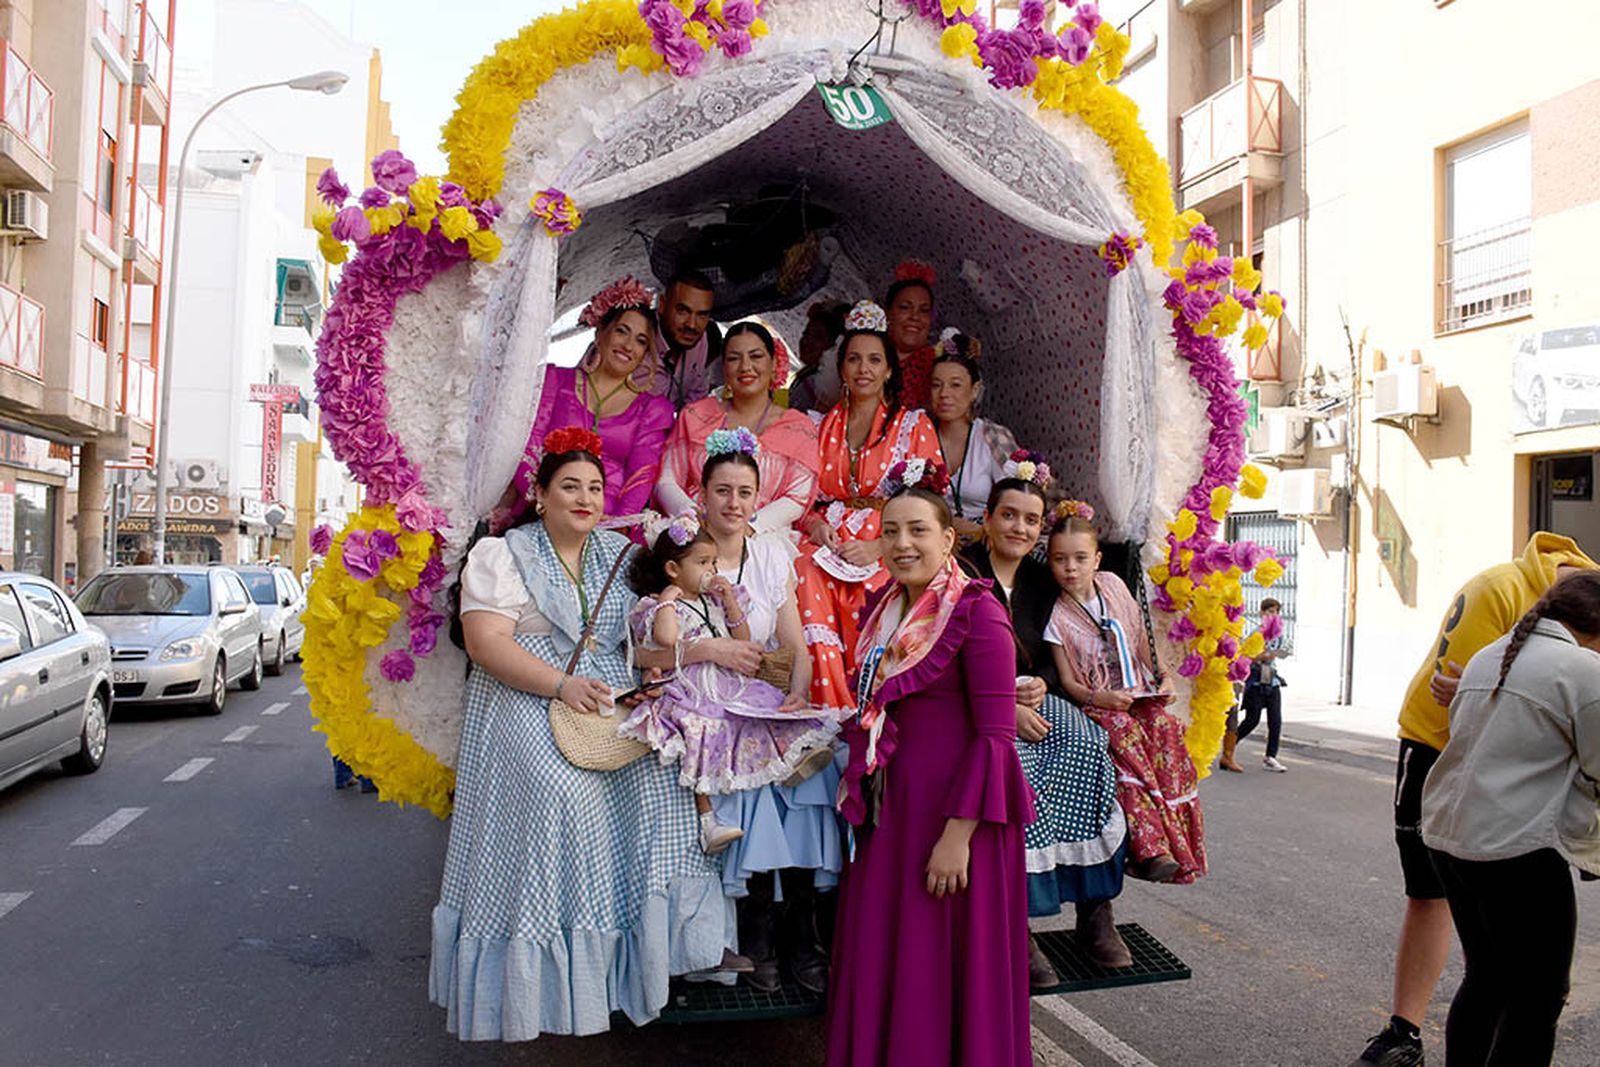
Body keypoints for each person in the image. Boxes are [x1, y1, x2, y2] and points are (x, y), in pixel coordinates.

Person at [432, 427, 737, 1041]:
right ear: (539, 495)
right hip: (524, 693)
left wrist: (694, 658)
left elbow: (643, 644)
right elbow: (488, 645)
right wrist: (559, 685)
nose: (585, 497)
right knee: (559, 794)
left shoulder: (619, 557)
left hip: (604, 692)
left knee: (663, 784)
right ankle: (543, 987)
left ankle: (642, 967)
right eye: (569, 485)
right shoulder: (502, 553)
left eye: (595, 487)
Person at [1352, 532, 1596, 1067]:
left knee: (1489, 973)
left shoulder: (1510, 651)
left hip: (1469, 824)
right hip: (1491, 812)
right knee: (1533, 991)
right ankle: (1405, 1029)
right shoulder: (1512, 605)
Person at [826, 476, 1035, 1066]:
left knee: (940, 966)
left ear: (949, 539)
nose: (902, 543)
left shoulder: (977, 611)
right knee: (892, 955)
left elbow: (996, 738)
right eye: (890, 531)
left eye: (918, 530)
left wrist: (958, 837)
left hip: (953, 821)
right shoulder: (886, 609)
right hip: (894, 815)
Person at [1420, 571, 1600, 1067]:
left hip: (1453, 840)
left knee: (1488, 976)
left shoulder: (1492, 654)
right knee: (1539, 996)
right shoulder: (1581, 668)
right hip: (1517, 850)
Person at [960, 476, 1131, 981]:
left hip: (1037, 696)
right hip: (976, 704)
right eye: (1009, 515)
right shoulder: (961, 572)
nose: (1019, 527)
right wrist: (1002, 703)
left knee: (1087, 743)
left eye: (1030, 520)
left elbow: (1061, 651)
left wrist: (1040, 682)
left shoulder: (1041, 579)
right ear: (988, 518)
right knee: (1021, 763)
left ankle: (1095, 911)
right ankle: (1021, 922)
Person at [696, 433, 842, 996]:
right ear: (702, 494)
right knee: (758, 779)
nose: (733, 503)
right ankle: (756, 929)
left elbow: (795, 644)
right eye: (723, 491)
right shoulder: (684, 551)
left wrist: (796, 698)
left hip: (766, 697)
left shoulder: (772, 553)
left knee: (813, 768)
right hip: (709, 696)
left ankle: (801, 930)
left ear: (758, 498)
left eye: (744, 492)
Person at [619, 510, 840, 854]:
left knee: (765, 706)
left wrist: (731, 601)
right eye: (703, 563)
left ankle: (793, 760)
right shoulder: (657, 605)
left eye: (713, 563)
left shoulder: (715, 600)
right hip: (693, 684)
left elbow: (743, 634)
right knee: (700, 735)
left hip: (728, 681)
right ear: (673, 570)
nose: (711, 571)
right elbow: (666, 638)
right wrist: (667, 599)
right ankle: (709, 823)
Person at [794, 300, 941, 717]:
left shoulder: (914, 425)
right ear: (841, 368)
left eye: (875, 359)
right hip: (831, 539)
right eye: (854, 359)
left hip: (891, 536)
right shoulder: (821, 426)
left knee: (874, 585)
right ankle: (829, 707)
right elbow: (806, 500)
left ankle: (870, 706)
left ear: (889, 369)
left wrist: (881, 547)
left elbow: (930, 504)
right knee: (803, 566)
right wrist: (817, 526)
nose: (864, 369)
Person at [1046, 501, 1206, 885]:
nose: (1070, 568)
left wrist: (1163, 677)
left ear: (1097, 559)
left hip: (1137, 691)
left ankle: (1178, 842)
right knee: (1124, 732)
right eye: (1060, 559)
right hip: (1099, 703)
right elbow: (1069, 682)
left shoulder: (1115, 587)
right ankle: (1148, 849)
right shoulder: (1056, 615)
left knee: (1166, 727)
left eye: (1080, 558)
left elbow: (1139, 642)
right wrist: (1100, 699)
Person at [505, 277, 675, 525]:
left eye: (640, 341)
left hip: (606, 524)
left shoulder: (651, 410)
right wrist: (544, 502)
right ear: (600, 332)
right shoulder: (554, 381)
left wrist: (611, 525)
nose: (629, 346)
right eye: (621, 331)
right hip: (542, 511)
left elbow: (640, 478)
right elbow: (527, 448)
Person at [655, 321, 819, 536]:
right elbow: (667, 480)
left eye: (756, 356)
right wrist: (694, 519)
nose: (745, 366)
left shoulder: (797, 427)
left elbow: (797, 496)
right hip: (695, 532)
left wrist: (749, 529)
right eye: (734, 358)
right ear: (724, 368)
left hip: (764, 536)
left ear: (773, 363)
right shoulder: (696, 416)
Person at [926, 329, 1023, 538]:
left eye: (956, 385)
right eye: (936, 385)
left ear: (974, 390)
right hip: (932, 536)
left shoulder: (992, 436)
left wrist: (984, 531)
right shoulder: (919, 434)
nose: (944, 394)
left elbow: (1016, 500)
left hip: (985, 537)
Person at [645, 269, 722, 408]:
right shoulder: (637, 334)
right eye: (682, 311)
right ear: (662, 305)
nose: (692, 325)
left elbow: (694, 405)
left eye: (702, 315)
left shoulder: (700, 340)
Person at [1236, 598, 1289, 773]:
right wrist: (1261, 656)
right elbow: (1246, 655)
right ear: (1261, 613)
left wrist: (1277, 654)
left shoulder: (1278, 634)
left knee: (1276, 719)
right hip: (1256, 680)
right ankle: (1230, 743)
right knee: (1252, 719)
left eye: (1274, 612)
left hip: (1271, 680)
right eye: (1267, 612)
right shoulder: (1256, 633)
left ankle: (1271, 756)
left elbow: (1281, 651)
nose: (1270, 615)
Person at [884, 261, 937, 411]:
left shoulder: (939, 372)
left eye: (924, 310)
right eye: (905, 308)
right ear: (888, 313)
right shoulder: (866, 354)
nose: (915, 317)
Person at [788, 300, 848, 414]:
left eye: (818, 337)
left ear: (835, 345)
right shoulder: (807, 376)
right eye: (806, 334)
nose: (806, 341)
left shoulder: (827, 387)